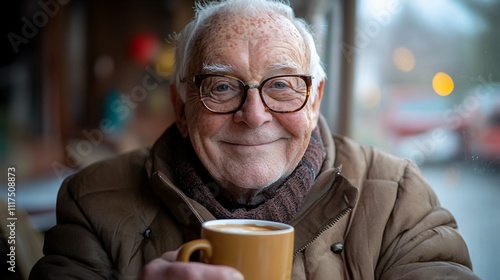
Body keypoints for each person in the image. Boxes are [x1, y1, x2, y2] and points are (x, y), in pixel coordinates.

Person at [30, 0, 479, 279]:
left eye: (282, 85)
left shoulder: (400, 196)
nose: (254, 115)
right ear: (182, 107)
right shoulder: (91, 200)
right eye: (222, 87)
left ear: (315, 99)